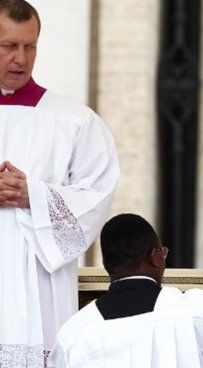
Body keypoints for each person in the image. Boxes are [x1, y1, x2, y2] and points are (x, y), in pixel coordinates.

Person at [0, 1, 119, 365]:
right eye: (8, 46)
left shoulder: (74, 122)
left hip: (36, 288)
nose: (21, 58)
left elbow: (97, 198)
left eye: (30, 46)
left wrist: (33, 195)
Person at [48, 214, 203, 367]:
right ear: (155, 257)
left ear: (107, 266)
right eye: (162, 253)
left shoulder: (73, 334)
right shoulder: (195, 311)